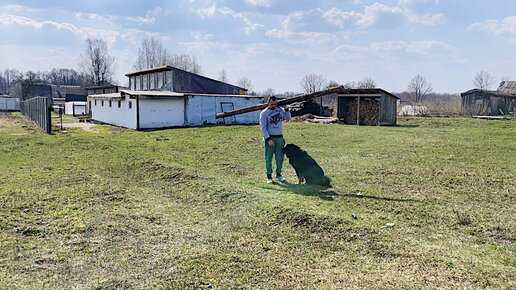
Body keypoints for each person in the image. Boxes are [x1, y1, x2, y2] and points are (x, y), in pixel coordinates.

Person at [259, 96, 291, 184]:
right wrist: (268, 139)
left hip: (279, 137)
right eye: (272, 104)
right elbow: (263, 128)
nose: (274, 106)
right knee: (268, 158)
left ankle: (279, 174)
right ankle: (269, 176)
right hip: (270, 138)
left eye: (275, 104)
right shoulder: (264, 113)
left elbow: (288, 118)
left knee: (280, 157)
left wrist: (286, 109)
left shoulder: (280, 110)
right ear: (268, 103)